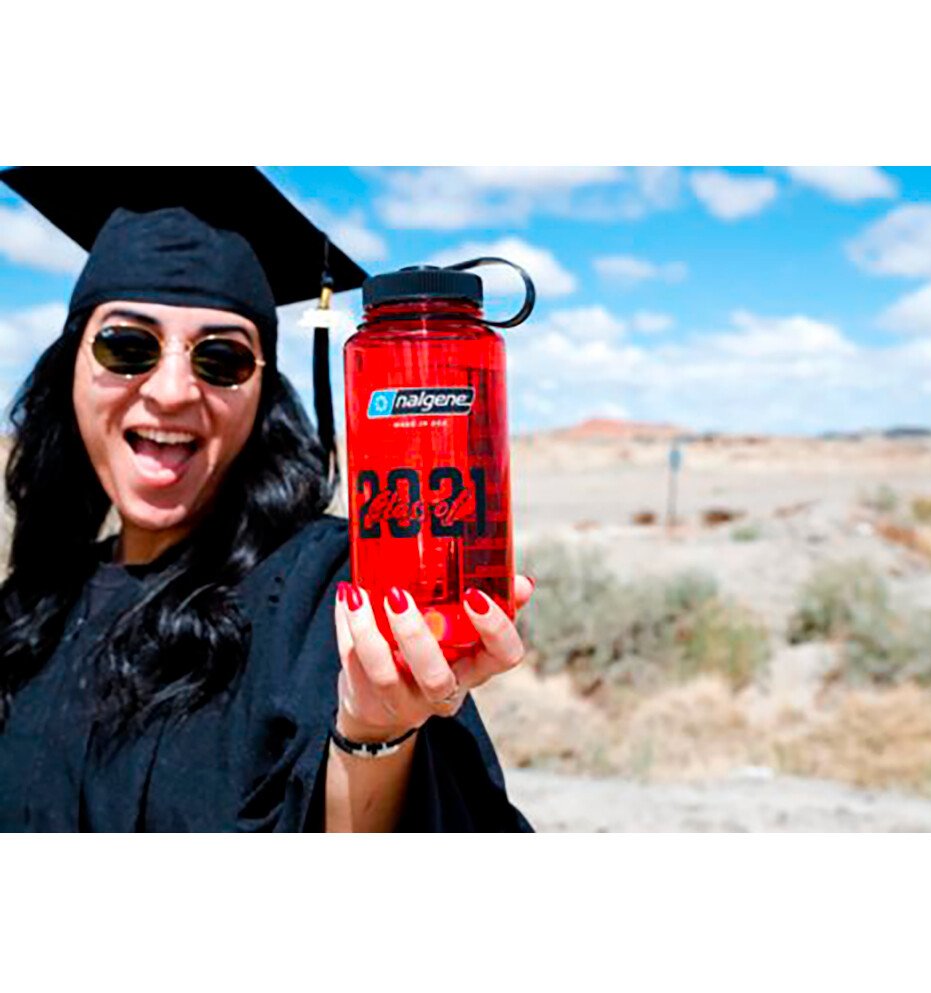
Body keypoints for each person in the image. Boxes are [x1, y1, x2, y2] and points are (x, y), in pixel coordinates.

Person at [0, 167, 533, 832]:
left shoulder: (333, 591)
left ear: (262, 396)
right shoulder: (28, 609)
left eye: (221, 359)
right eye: (127, 347)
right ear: (70, 368)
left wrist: (376, 733)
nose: (171, 391)